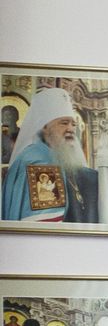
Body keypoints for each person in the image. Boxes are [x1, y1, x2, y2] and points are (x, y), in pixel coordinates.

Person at [3, 87, 93, 224]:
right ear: (44, 127)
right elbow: (47, 226)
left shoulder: (51, 155)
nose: (70, 129)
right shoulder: (42, 165)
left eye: (73, 124)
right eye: (64, 123)